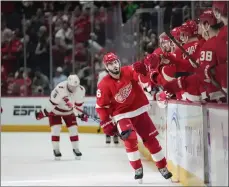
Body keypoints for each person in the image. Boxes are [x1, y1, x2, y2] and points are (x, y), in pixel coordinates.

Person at [96, 52, 172, 183]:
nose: (114, 66)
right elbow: (101, 106)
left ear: (119, 62)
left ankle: (162, 166)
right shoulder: (104, 84)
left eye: (115, 62)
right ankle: (137, 168)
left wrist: (143, 72)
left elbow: (140, 77)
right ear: (106, 67)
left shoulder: (128, 70)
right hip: (122, 115)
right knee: (130, 139)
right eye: (110, 64)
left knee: (151, 140)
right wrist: (105, 121)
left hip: (139, 110)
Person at [35, 75, 88, 160]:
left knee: (74, 129)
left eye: (75, 87)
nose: (74, 89)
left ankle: (76, 148)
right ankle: (56, 149)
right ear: (68, 83)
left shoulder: (81, 90)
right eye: (72, 86)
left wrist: (80, 115)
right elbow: (51, 104)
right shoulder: (59, 88)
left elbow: (78, 106)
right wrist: (43, 113)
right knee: (56, 129)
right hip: (55, 111)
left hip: (69, 111)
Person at [97, 69, 119, 145]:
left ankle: (115, 134)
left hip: (114, 98)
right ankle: (108, 135)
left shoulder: (117, 72)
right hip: (105, 97)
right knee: (106, 118)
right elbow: (99, 87)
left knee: (115, 117)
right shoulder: (102, 74)